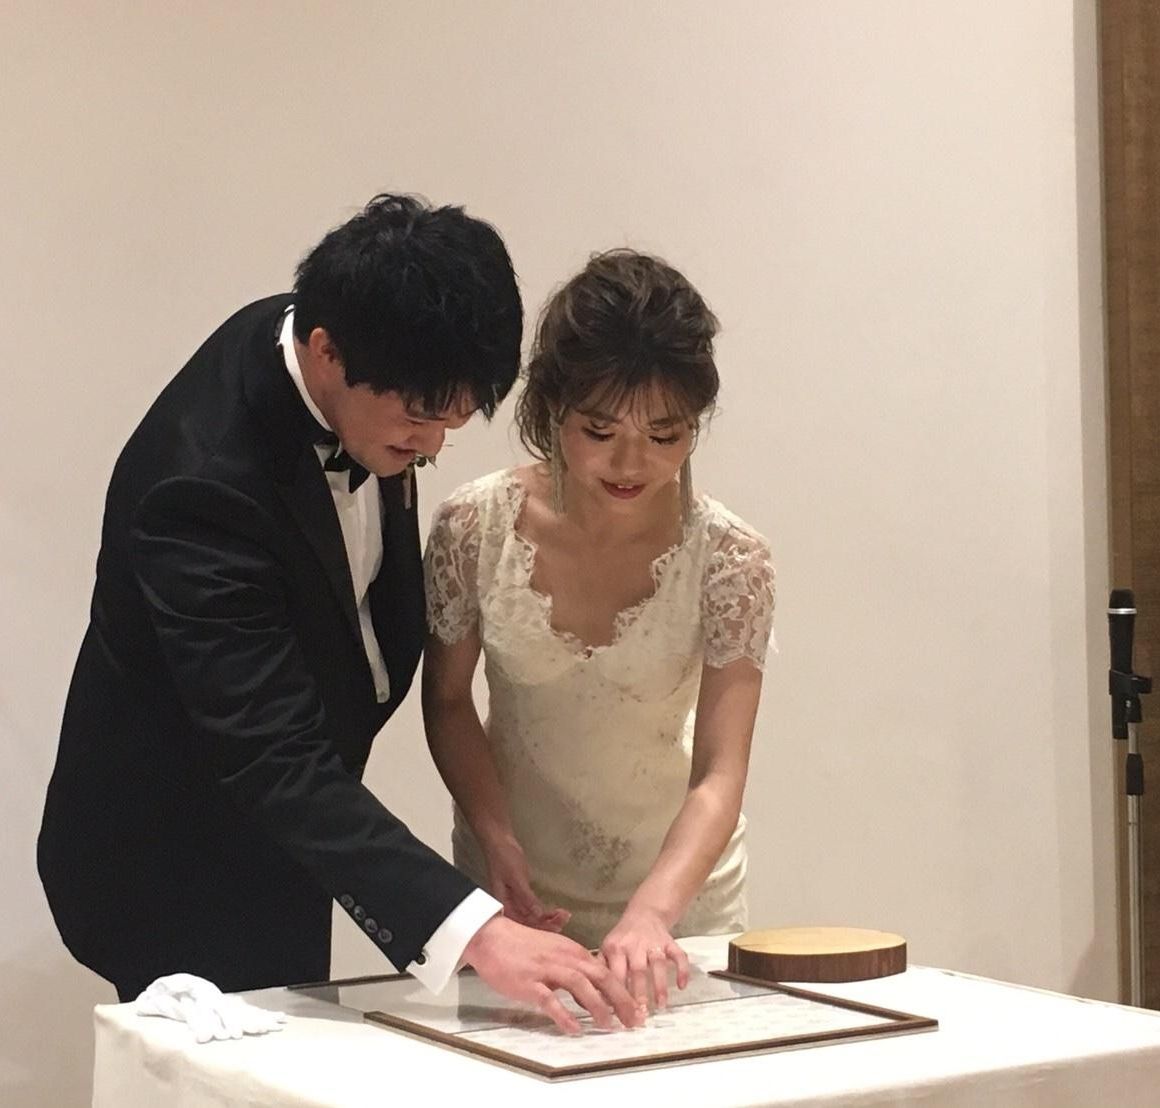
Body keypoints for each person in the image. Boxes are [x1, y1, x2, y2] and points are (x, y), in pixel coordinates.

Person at [38, 195, 639, 1035]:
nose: (432, 447)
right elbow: (271, 754)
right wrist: (472, 931)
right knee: (222, 1077)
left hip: (290, 831)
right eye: (420, 419)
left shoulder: (358, 360)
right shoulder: (197, 489)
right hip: (171, 855)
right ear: (326, 353)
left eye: (452, 422)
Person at [422, 248, 776, 1010]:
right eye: (599, 429)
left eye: (666, 435)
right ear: (552, 409)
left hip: (677, 902)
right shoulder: (474, 527)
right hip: (511, 895)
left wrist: (652, 913)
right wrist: (495, 838)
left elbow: (720, 771)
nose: (630, 462)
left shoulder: (729, 558)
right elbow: (447, 702)